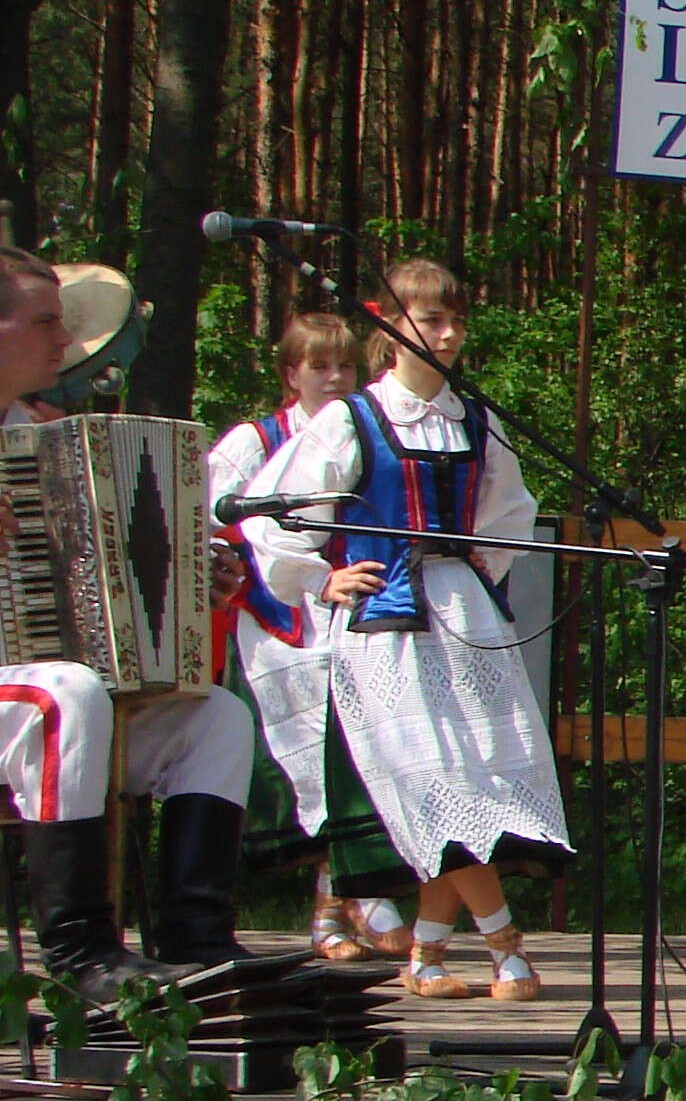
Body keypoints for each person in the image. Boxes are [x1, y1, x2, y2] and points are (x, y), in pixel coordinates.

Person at [243, 258, 571, 1002]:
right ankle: (503, 948)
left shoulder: (477, 419)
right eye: (432, 320)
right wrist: (319, 575)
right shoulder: (351, 418)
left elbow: (509, 516)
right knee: (439, 782)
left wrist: (471, 575)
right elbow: (269, 508)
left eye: (457, 320)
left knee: (473, 781)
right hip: (385, 623)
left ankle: (426, 956)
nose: (449, 334)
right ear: (392, 329)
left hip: (458, 611)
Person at [0, 248, 237, 999]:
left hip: (33, 697)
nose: (64, 342)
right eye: (45, 322)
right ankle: (80, 953)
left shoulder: (45, 437)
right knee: (64, 693)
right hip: (37, 699)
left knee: (216, 716)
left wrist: (199, 573)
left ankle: (198, 947)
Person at [212, 312, 412, 965]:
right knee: (309, 758)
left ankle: (346, 896)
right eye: (319, 365)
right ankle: (337, 907)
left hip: (346, 614)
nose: (334, 377)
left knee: (360, 750)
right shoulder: (256, 439)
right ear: (289, 372)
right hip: (275, 622)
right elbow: (216, 521)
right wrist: (300, 576)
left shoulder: (361, 431)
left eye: (346, 366)